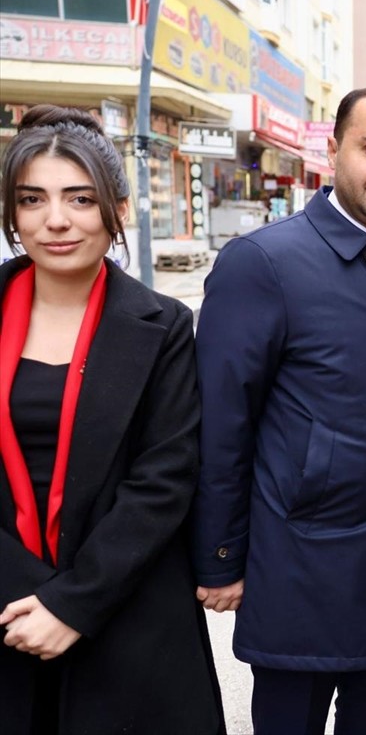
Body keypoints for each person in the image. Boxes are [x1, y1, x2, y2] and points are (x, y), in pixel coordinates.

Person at [191, 87, 366, 735]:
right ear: (333, 151)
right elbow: (223, 421)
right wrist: (220, 555)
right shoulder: (264, 262)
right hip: (299, 567)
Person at [0, 105, 223, 733]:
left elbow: (165, 479)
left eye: (79, 198)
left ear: (117, 210)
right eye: (32, 199)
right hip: (8, 610)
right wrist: (27, 597)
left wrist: (70, 604)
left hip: (128, 614)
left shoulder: (164, 326)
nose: (56, 220)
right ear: (14, 215)